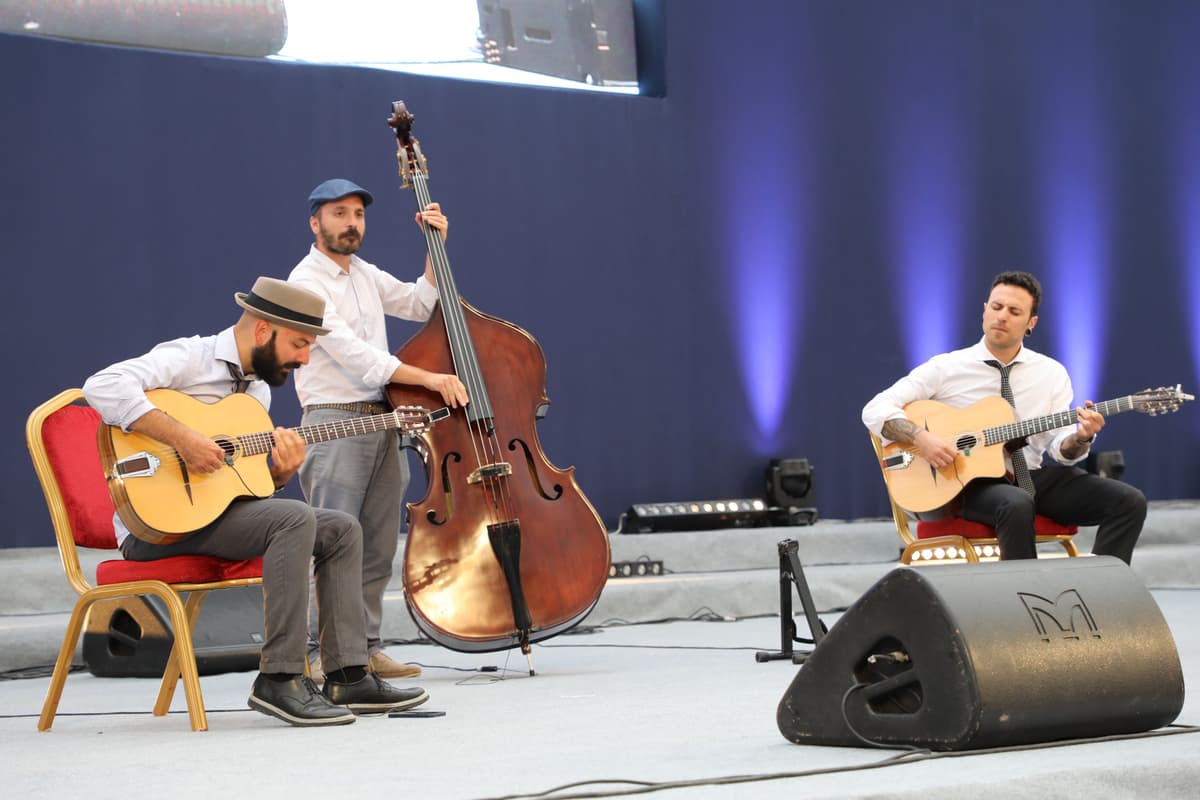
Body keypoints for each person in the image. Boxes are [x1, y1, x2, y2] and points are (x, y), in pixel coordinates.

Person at [82, 277, 431, 726]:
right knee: (292, 519)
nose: (305, 359)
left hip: (212, 519)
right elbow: (103, 385)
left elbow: (239, 487)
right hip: (155, 526)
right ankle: (279, 677)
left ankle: (348, 674)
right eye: (300, 344)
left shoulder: (256, 392)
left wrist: (278, 473)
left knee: (341, 528)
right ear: (263, 330)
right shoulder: (191, 357)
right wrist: (184, 438)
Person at [287, 179, 469, 680]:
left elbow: (416, 303)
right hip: (334, 420)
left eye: (358, 215)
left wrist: (436, 250)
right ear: (315, 223)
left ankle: (364, 647)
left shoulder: (363, 273)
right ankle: (320, 654)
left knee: (376, 544)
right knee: (330, 541)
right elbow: (357, 356)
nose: (351, 223)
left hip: (382, 418)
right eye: (339, 213)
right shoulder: (306, 282)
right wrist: (430, 378)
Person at [862, 270, 1146, 564]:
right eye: (996, 307)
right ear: (985, 310)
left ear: (1031, 323)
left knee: (1128, 501)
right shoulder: (947, 367)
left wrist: (1081, 437)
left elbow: (1060, 450)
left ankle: (1102, 594)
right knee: (1016, 502)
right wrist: (922, 439)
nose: (1002, 316)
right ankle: (1025, 597)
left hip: (1030, 476)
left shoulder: (1051, 373)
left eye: (1014, 311)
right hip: (967, 484)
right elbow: (875, 409)